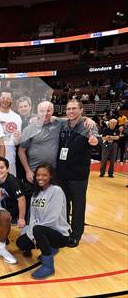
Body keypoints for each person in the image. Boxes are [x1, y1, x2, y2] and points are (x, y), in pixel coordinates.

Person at [56, 99, 100, 248]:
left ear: (81, 110)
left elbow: (96, 138)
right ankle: (65, 229)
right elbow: (52, 118)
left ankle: (76, 234)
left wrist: (95, 140)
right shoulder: (63, 124)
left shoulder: (88, 125)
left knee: (78, 206)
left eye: (74, 108)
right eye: (68, 109)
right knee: (64, 204)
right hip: (62, 173)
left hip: (78, 174)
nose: (71, 111)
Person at [16, 164, 70, 279]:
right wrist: (31, 235)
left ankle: (48, 266)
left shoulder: (56, 190)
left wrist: (36, 234)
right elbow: (32, 218)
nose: (40, 178)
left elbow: (53, 218)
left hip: (59, 234)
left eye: (44, 175)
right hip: (40, 231)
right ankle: (50, 247)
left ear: (50, 176)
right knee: (21, 243)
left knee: (38, 229)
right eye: (38, 175)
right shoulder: (35, 194)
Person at [18, 101, 61, 184]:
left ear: (52, 111)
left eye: (48, 111)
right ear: (37, 112)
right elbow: (21, 151)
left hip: (52, 173)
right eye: (42, 111)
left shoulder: (58, 124)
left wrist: (87, 119)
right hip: (35, 172)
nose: (45, 113)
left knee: (51, 196)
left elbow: (73, 119)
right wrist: (28, 171)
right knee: (36, 197)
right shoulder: (29, 129)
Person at [0, 156, 31, 233]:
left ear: (7, 169)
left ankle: (26, 229)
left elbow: (22, 199)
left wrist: (21, 218)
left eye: (2, 167)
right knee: (2, 212)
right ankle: (0, 234)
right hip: (14, 198)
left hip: (28, 198)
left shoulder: (11, 181)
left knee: (23, 227)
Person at [0, 90, 22, 176]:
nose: (5, 100)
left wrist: (18, 138)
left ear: (11, 100)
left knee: (10, 184)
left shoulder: (17, 117)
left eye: (8, 98)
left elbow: (17, 142)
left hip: (10, 157)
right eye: (3, 98)